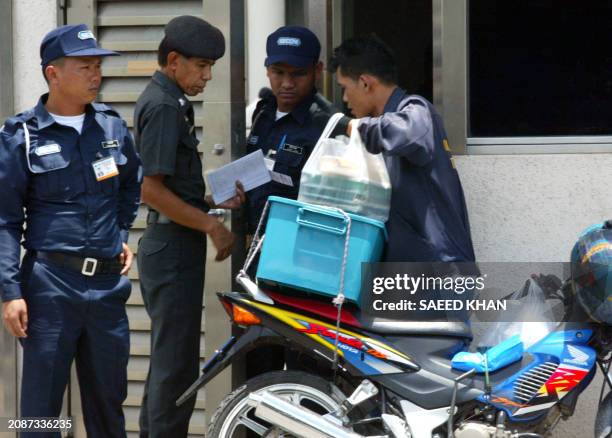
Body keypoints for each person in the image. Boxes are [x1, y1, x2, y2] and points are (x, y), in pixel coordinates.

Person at [0, 24, 141, 437]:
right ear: (53, 73)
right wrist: (10, 293)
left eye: (98, 66)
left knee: (107, 409)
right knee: (43, 414)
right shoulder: (21, 136)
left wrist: (119, 232)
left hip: (107, 289)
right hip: (50, 286)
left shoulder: (112, 128)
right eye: (85, 67)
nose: (95, 76)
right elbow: (5, 220)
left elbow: (132, 183)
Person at [134, 16, 243, 438]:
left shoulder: (172, 100)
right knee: (173, 365)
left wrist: (211, 200)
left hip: (174, 244)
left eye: (211, 66)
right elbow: (151, 189)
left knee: (171, 362)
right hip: (171, 247)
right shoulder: (163, 105)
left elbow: (172, 185)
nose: (208, 76)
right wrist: (212, 226)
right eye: (201, 65)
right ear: (174, 60)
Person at [329, 35, 476, 264]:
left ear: (365, 83)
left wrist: (352, 126)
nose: (345, 99)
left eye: (344, 89)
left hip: (440, 274)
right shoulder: (384, 127)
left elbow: (408, 132)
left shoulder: (416, 111)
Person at [245, 25, 342, 238]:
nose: (287, 83)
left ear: (317, 70)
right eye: (278, 72)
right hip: (255, 244)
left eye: (299, 74)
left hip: (298, 246)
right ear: (267, 69)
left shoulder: (328, 123)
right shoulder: (262, 112)